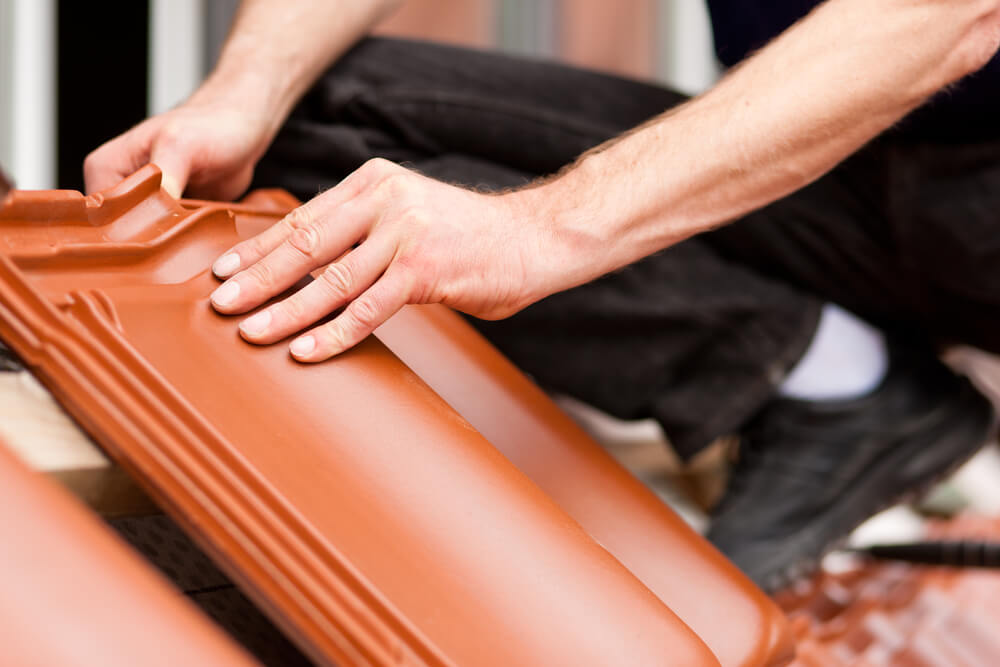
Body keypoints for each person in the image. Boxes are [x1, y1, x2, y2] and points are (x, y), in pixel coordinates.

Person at [85, 0, 1000, 591]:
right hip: (864, 158)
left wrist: (539, 229)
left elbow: (944, 16)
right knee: (321, 131)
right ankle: (838, 382)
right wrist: (241, 91)